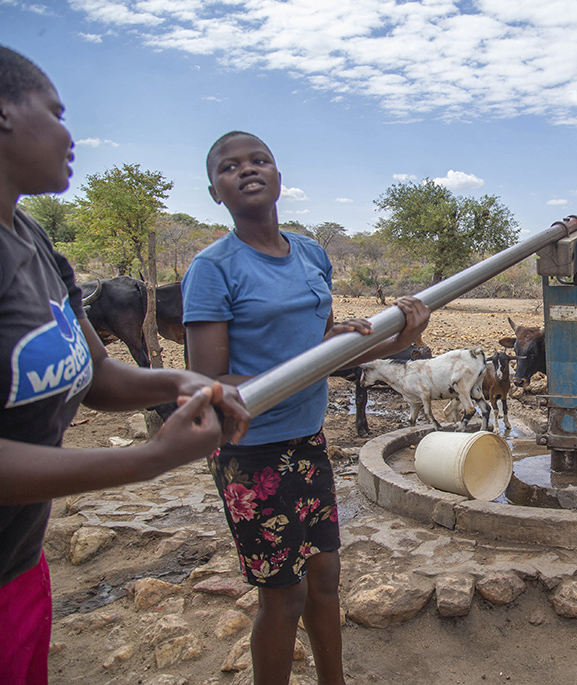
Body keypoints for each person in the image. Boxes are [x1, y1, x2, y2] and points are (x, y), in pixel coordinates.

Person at [0, 45, 252, 685]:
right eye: (56, 112)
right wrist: (147, 461)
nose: (70, 133)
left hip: (18, 563)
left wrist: (180, 380)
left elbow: (99, 377)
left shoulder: (32, 242)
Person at [183, 130, 429, 685]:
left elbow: (331, 351)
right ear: (214, 192)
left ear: (277, 175)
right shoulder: (213, 268)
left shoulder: (311, 252)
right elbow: (209, 381)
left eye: (259, 160)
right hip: (250, 453)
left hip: (307, 441)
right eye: (229, 166)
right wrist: (314, 355)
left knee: (325, 580)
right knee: (284, 597)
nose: (247, 170)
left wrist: (403, 335)